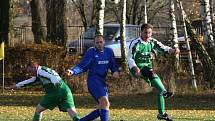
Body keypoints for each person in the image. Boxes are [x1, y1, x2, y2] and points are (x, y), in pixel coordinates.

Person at [128, 23, 180, 121]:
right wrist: (135, 68)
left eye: (150, 33)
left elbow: (163, 48)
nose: (148, 35)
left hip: (147, 68)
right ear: (141, 32)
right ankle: (165, 93)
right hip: (137, 68)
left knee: (160, 88)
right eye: (145, 33)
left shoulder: (152, 41)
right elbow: (130, 58)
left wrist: (173, 50)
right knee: (151, 73)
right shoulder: (135, 43)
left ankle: (162, 113)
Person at [67, 34, 119, 121]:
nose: (99, 44)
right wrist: (73, 71)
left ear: (104, 42)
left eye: (101, 42)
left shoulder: (109, 51)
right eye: (97, 42)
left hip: (102, 82)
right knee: (104, 102)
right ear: (94, 43)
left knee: (104, 106)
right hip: (93, 81)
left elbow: (113, 64)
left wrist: (115, 71)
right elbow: (83, 66)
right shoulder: (91, 52)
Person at [10, 60, 80, 121]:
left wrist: (56, 82)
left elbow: (51, 76)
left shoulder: (41, 71)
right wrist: (17, 85)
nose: (29, 73)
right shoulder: (42, 71)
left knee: (38, 109)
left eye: (30, 71)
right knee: (73, 113)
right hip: (66, 90)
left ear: (35, 67)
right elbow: (30, 81)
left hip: (55, 92)